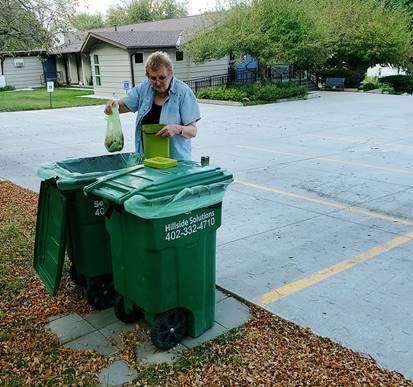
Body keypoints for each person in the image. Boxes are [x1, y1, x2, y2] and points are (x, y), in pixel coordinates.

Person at [104, 51, 201, 160]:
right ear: (147, 76)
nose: (158, 82)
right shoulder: (143, 89)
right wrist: (113, 105)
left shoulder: (183, 92)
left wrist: (177, 129)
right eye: (153, 78)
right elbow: (122, 106)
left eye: (162, 77)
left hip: (175, 163)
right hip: (146, 161)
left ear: (170, 73)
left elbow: (193, 131)